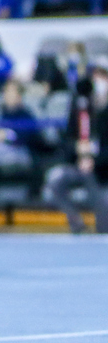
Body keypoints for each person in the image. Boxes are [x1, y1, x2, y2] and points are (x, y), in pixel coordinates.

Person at [46, 60, 108, 233]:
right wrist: (76, 148)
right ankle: (77, 223)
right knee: (55, 180)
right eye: (95, 76)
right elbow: (66, 141)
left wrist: (95, 161)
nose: (98, 80)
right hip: (78, 166)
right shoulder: (80, 107)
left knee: (92, 181)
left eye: (102, 76)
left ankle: (103, 229)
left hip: (101, 170)